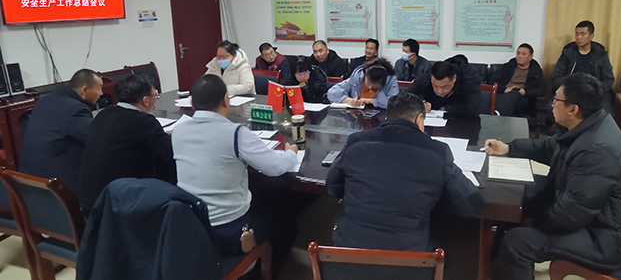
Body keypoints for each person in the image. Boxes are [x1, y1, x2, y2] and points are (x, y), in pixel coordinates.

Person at [484, 74, 621, 280]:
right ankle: (490, 264)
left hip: (609, 241)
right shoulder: (587, 124)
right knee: (522, 192)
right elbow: (549, 147)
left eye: (556, 100)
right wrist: (509, 147)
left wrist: (533, 219)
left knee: (518, 242)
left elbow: (571, 216)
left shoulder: (597, 150)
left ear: (573, 109)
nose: (552, 104)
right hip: (596, 220)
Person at [326, 92, 484, 251]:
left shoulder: (357, 141)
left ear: (387, 118)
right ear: (419, 120)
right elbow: (470, 205)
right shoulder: (437, 151)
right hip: (409, 258)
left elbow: (333, 186)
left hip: (347, 252)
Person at [171, 75, 298, 259]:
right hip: (230, 231)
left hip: (192, 225)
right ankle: (256, 271)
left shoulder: (178, 131)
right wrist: (291, 153)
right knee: (286, 225)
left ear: (191, 103)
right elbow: (275, 167)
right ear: (226, 100)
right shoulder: (236, 133)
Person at [79, 75, 176, 213]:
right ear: (145, 100)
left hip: (91, 203)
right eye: (156, 95)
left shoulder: (102, 115)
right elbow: (169, 153)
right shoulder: (144, 121)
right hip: (119, 207)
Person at [18, 69, 103, 195]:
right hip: (56, 187)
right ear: (85, 89)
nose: (101, 93)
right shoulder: (75, 109)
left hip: (29, 182)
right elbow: (97, 140)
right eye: (99, 88)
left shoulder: (45, 101)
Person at [406, 58, 481, 117]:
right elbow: (404, 97)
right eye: (435, 86)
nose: (439, 91)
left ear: (454, 79)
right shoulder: (426, 78)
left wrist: (447, 108)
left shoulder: (469, 81)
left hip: (460, 123)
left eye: (444, 87)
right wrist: (420, 104)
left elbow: (474, 109)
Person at [489, 43, 546, 116]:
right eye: (518, 53)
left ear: (530, 57)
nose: (520, 56)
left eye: (523, 54)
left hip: (523, 98)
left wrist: (526, 92)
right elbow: (492, 80)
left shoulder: (536, 71)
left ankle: (497, 113)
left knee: (515, 93)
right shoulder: (508, 66)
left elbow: (542, 90)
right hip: (505, 94)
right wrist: (504, 89)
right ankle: (502, 116)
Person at [327, 58, 399, 109]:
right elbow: (331, 92)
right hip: (358, 117)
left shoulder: (390, 80)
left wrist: (371, 101)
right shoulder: (358, 78)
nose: (370, 88)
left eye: (375, 87)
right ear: (366, 72)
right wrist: (348, 100)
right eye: (369, 83)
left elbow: (394, 103)